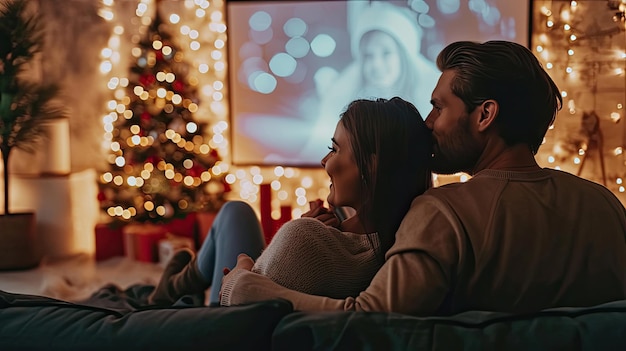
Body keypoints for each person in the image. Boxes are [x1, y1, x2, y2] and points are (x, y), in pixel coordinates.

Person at [220, 40, 626, 316]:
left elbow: (371, 318)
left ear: (484, 115)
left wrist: (255, 289)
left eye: (438, 107)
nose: (428, 123)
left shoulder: (442, 213)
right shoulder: (606, 206)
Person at [148, 97, 433, 306]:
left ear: (371, 167)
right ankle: (176, 285)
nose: (324, 161)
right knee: (237, 213)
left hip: (223, 320)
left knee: (235, 212)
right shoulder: (398, 238)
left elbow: (235, 307)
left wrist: (245, 268)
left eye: (334, 149)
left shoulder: (304, 240)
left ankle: (174, 290)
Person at [299, 1, 439, 163]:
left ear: (403, 55)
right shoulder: (345, 97)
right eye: (368, 55)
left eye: (386, 53)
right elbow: (318, 149)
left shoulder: (428, 98)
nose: (376, 64)